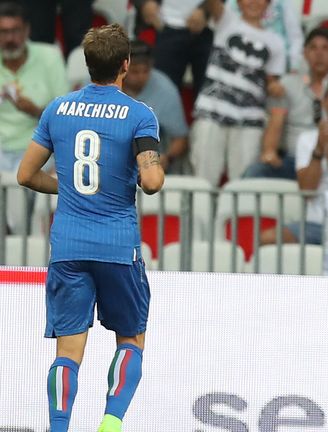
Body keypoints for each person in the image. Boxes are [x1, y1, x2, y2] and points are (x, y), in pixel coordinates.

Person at [15, 24, 164, 432]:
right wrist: (149, 169)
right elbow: (151, 182)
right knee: (130, 340)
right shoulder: (138, 114)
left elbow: (26, 174)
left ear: (87, 63)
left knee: (68, 351)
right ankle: (110, 424)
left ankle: (59, 427)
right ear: (125, 65)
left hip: (68, 245)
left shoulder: (57, 109)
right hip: (117, 246)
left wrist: (64, 186)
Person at [190, 0, 285, 186]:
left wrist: (275, 86)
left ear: (268, 4)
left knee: (242, 185)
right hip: (211, 112)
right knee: (202, 181)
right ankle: (199, 217)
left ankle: (234, 217)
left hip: (249, 120)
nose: (254, 3)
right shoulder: (227, 20)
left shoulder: (276, 42)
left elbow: (272, 81)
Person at [259, 72, 328, 245]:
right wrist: (319, 148)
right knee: (267, 239)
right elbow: (307, 190)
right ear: (325, 102)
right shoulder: (307, 139)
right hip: (315, 224)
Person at [246, 26, 328, 179]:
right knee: (256, 172)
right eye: (313, 48)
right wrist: (269, 151)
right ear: (304, 53)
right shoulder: (287, 84)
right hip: (293, 160)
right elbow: (276, 122)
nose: (319, 54)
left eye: (326, 48)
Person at [0, 1, 68, 172]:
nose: (10, 38)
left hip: (37, 149)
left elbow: (65, 115)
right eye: (3, 32)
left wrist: (36, 111)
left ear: (27, 30)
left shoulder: (50, 56)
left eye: (15, 31)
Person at [123, 40, 191, 174]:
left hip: (151, 168)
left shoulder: (165, 89)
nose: (141, 76)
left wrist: (168, 157)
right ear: (123, 68)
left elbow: (181, 139)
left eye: (146, 71)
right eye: (135, 71)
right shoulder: (104, 83)